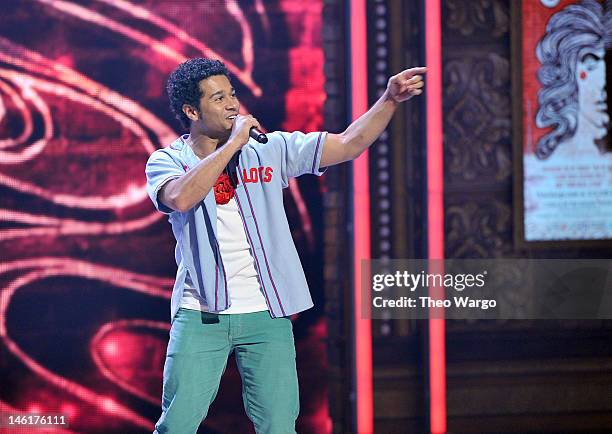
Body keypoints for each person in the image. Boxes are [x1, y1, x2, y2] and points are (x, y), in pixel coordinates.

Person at [145, 57, 425, 434]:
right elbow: (179, 198)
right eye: (218, 99)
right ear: (191, 110)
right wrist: (231, 147)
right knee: (176, 425)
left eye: (232, 95)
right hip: (202, 312)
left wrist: (389, 99)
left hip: (267, 313)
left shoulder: (270, 148)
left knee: (279, 425)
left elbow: (348, 144)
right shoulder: (167, 161)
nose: (232, 105)